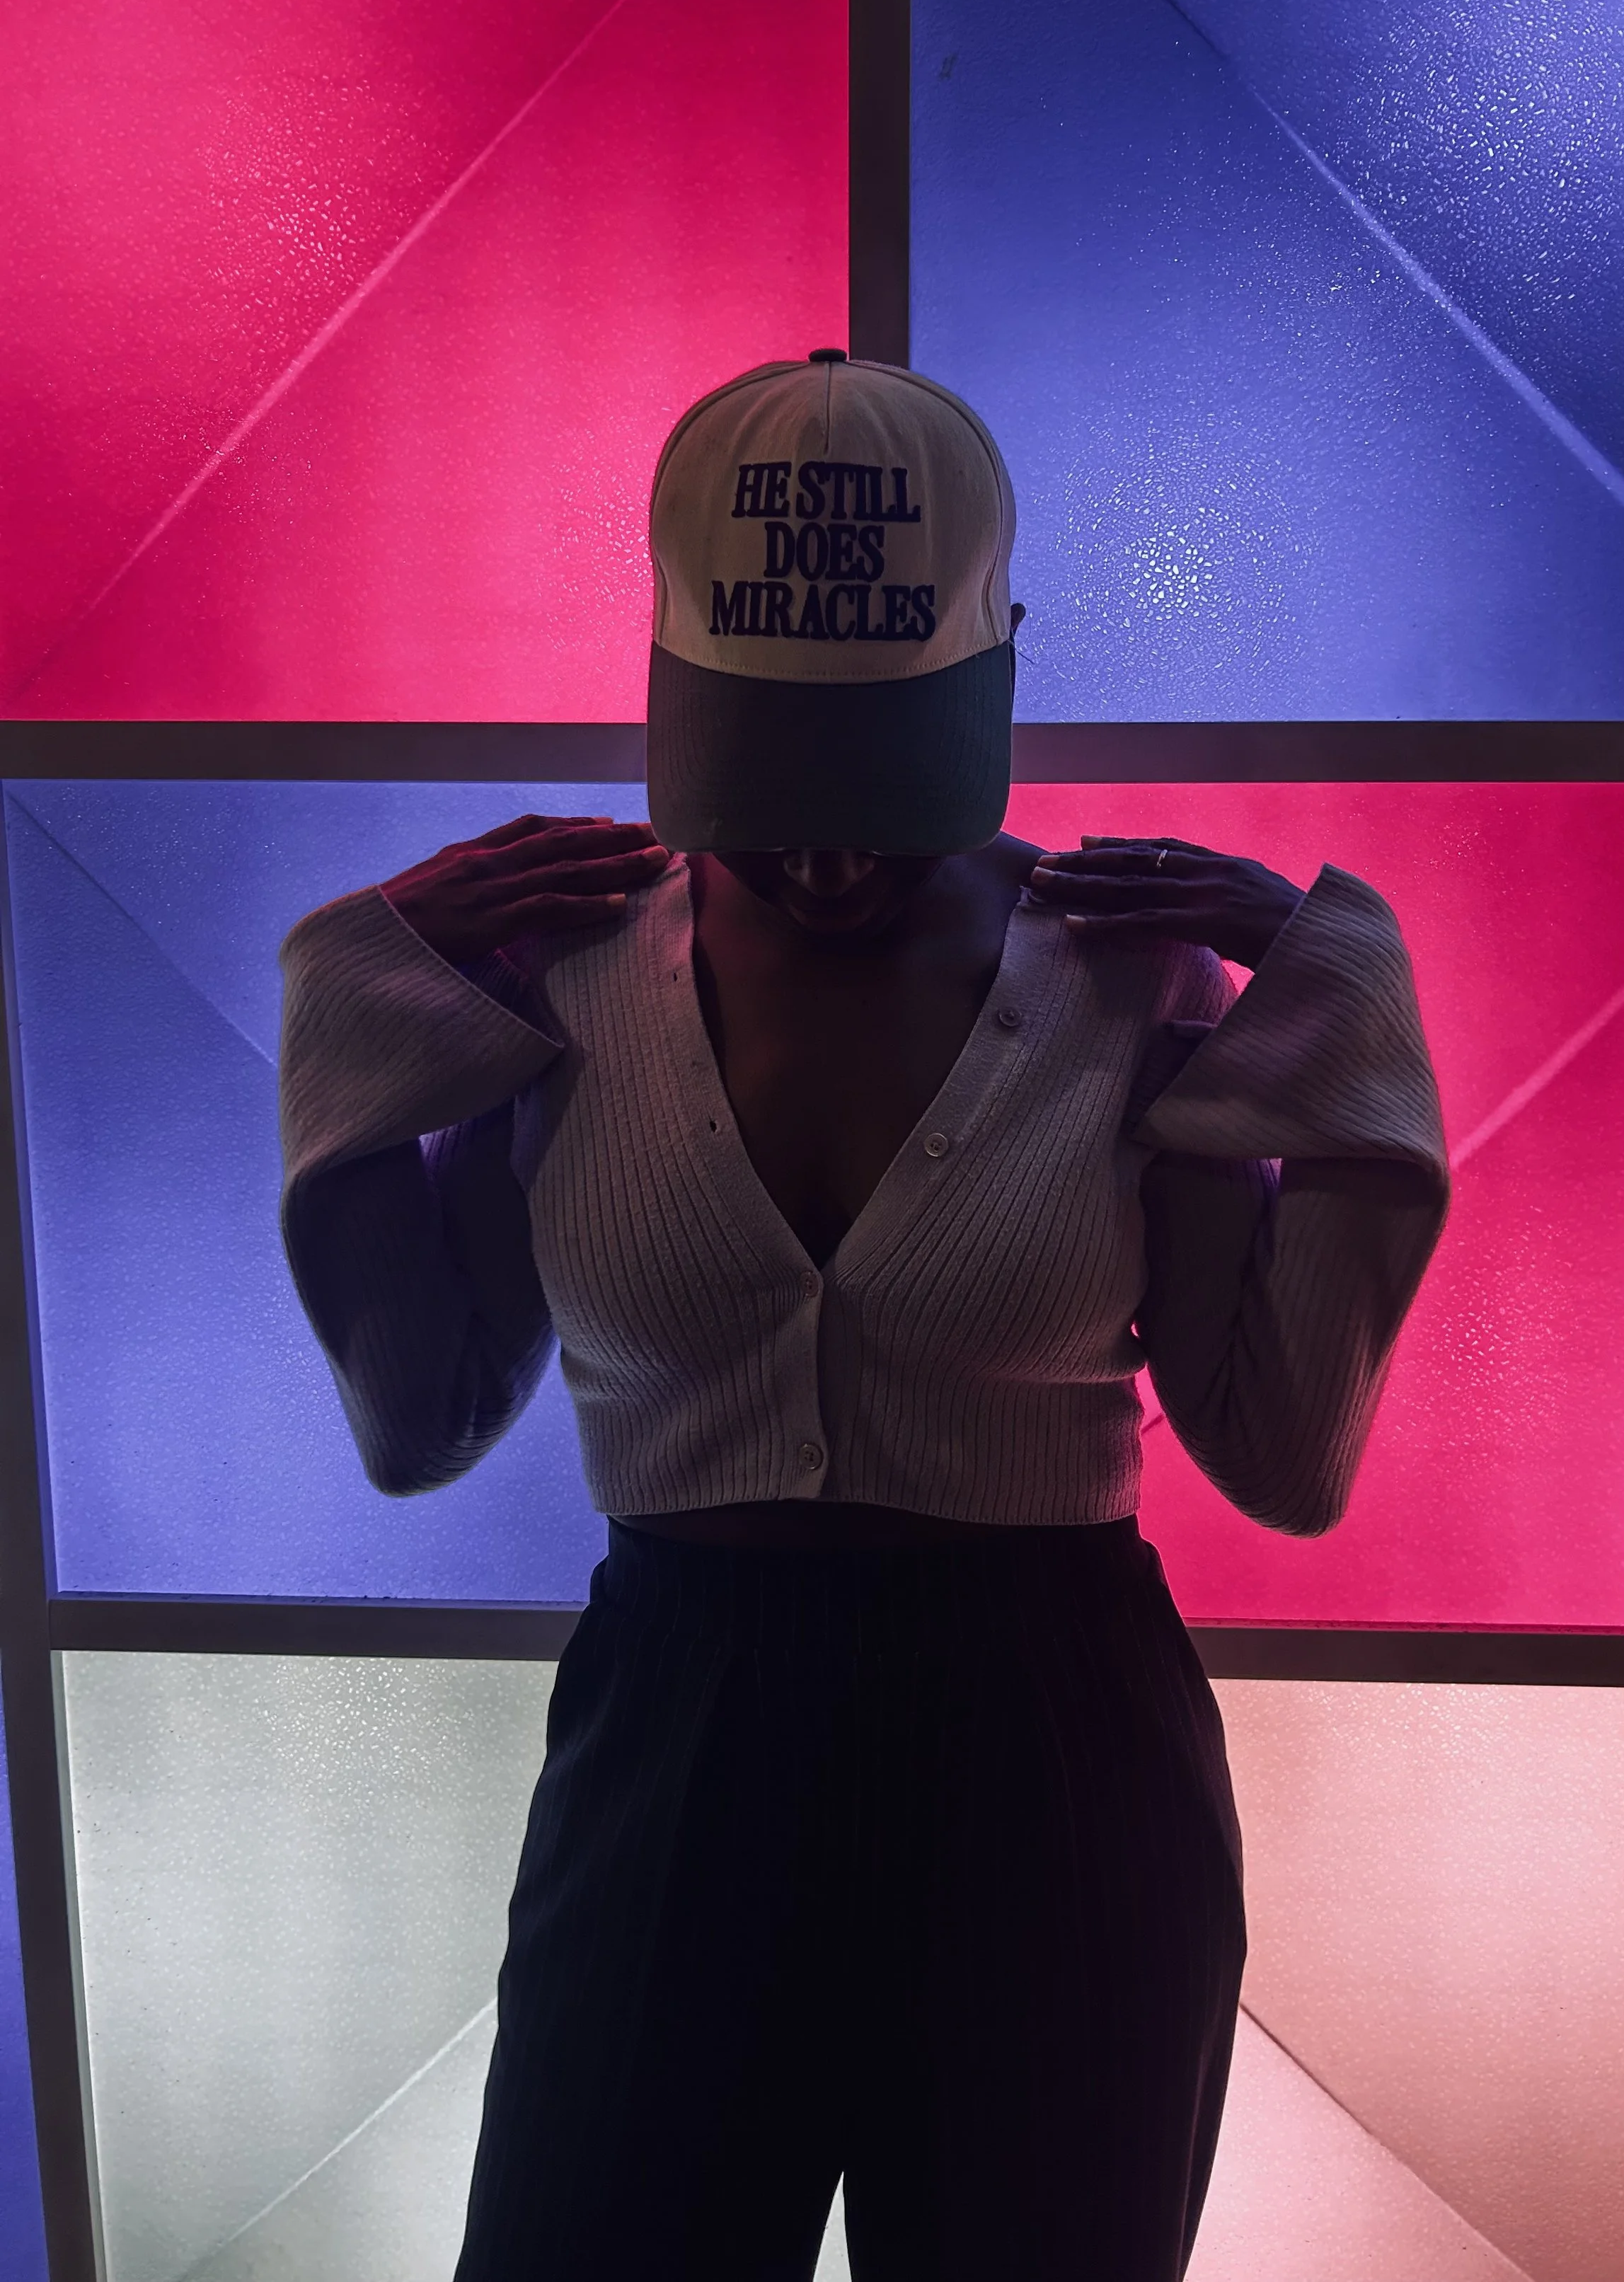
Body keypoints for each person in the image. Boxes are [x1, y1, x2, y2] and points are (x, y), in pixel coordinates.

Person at [277, 351, 1449, 2281]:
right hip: (678, 1732)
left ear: (994, 686)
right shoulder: (562, 976)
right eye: (771, 794)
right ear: (673, 696)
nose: (826, 859)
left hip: (1054, 1756)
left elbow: (1285, 1463)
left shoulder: (1126, 980)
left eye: (880, 801)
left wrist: (1344, 1011)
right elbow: (416, 1426)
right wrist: (350, 1003)